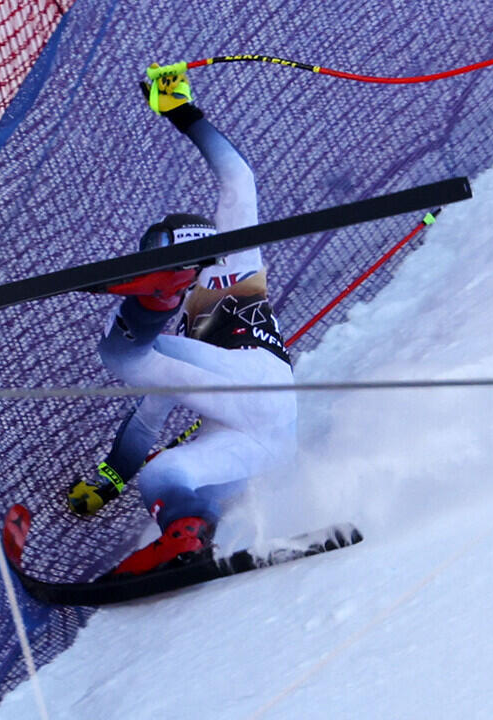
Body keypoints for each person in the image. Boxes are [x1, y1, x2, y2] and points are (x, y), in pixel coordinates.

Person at [67, 64, 297, 576]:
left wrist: (178, 108)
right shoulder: (182, 347)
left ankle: (153, 298)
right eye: (152, 267)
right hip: (263, 448)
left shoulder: (232, 261)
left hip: (259, 380)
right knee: (165, 474)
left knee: (127, 352)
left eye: (163, 265)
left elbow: (238, 177)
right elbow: (148, 418)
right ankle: (188, 537)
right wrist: (111, 480)